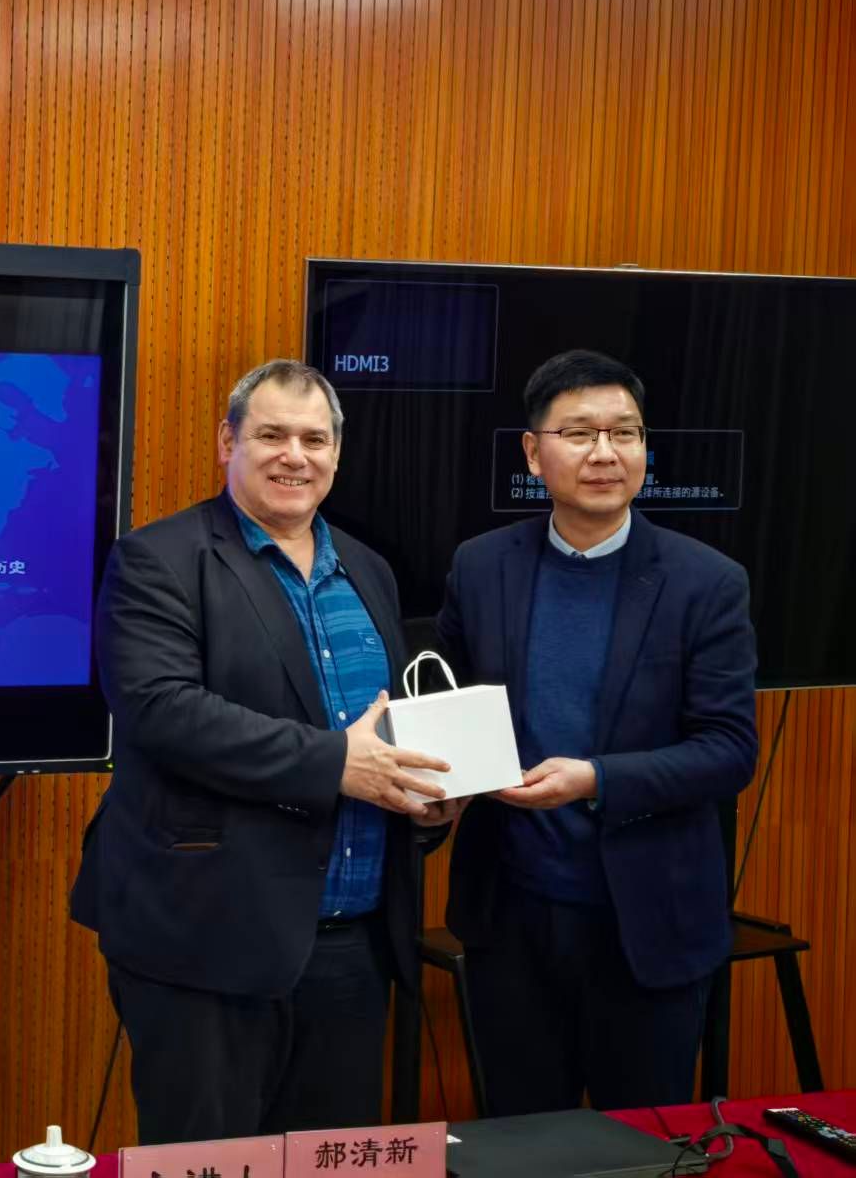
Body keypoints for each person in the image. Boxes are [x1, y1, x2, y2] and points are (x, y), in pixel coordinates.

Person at [70, 358, 457, 1145]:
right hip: (207, 943)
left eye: (315, 439)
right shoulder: (157, 560)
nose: (295, 456)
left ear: (337, 453)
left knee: (330, 1162)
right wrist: (336, 763)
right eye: (272, 434)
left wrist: (425, 799)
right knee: (205, 1162)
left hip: (352, 946)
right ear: (228, 441)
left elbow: (381, 733)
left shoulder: (370, 570)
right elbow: (162, 711)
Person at [437, 348, 758, 1113]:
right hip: (511, 921)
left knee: (641, 1148)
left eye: (626, 432)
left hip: (646, 925)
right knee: (519, 1145)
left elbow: (729, 749)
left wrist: (597, 779)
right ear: (533, 452)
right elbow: (449, 706)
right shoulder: (481, 567)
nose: (606, 453)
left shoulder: (706, 581)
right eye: (580, 433)